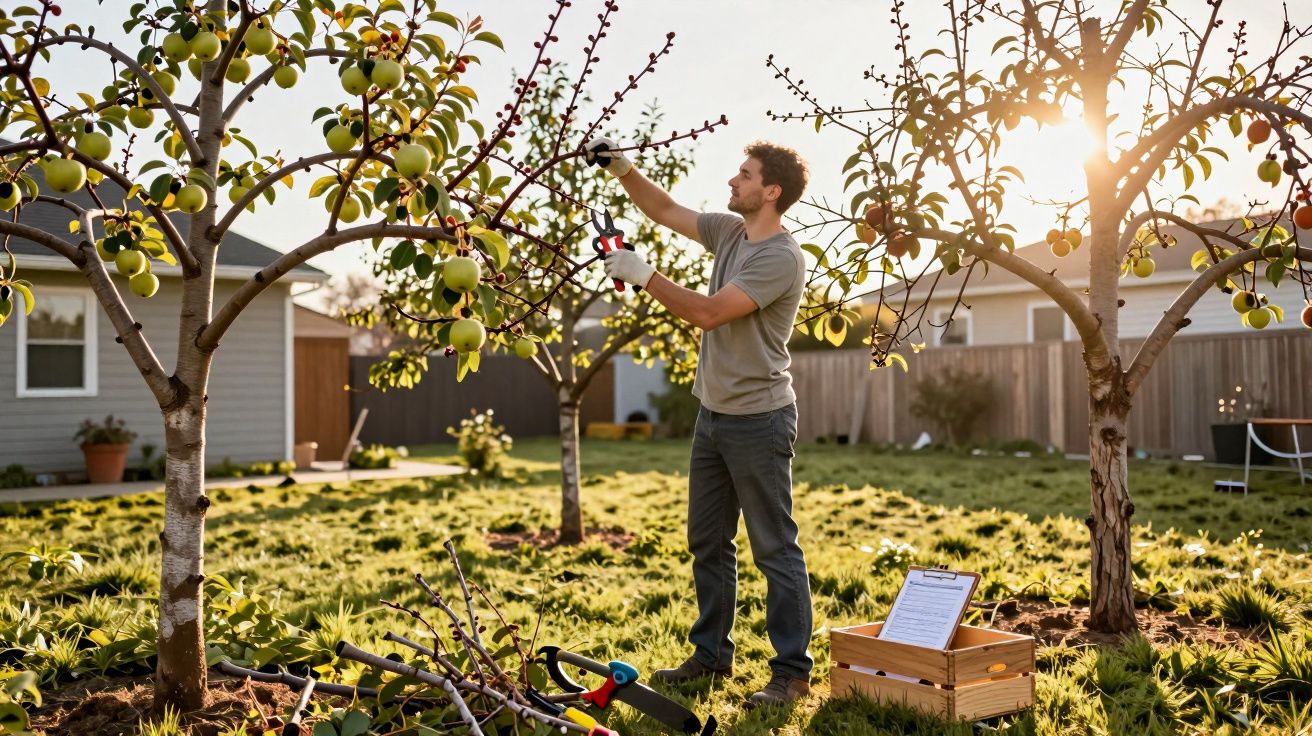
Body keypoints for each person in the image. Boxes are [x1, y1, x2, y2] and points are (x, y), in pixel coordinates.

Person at [582, 136, 813, 708]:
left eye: (745, 175)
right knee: (707, 542)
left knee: (774, 548)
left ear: (771, 191)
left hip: (759, 420)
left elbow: (709, 315)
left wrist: (645, 277)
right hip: (712, 416)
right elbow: (664, 210)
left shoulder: (780, 257)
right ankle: (711, 655)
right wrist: (623, 169)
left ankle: (791, 672)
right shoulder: (730, 231)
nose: (733, 181)